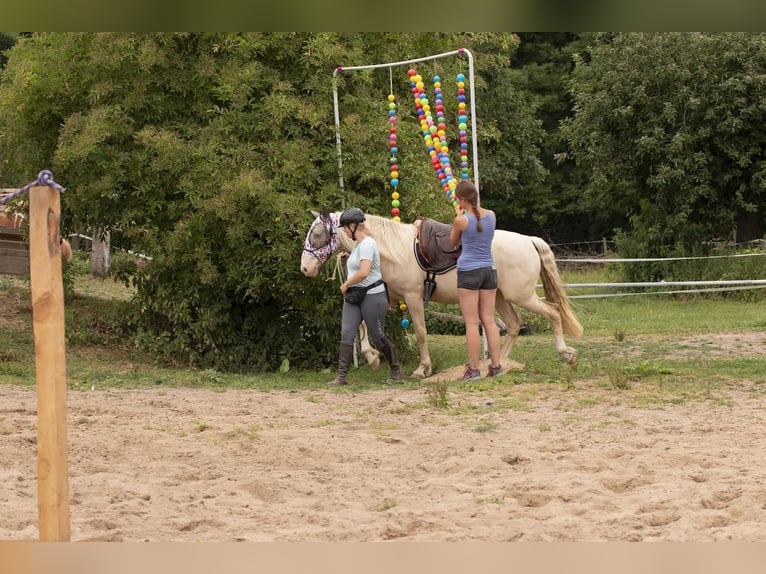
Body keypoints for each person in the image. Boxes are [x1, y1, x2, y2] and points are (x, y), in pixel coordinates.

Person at [329, 207, 403, 385]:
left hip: (372, 296)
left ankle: (396, 369)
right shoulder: (358, 246)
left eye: (346, 228)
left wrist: (346, 284)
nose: (345, 231)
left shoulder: (368, 244)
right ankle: (341, 376)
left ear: (354, 226)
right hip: (354, 297)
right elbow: (359, 264)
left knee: (378, 336)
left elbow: (364, 272)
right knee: (347, 333)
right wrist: (349, 256)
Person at [449, 180, 503, 381]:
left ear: (463, 200)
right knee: (489, 320)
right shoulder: (492, 215)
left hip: (469, 271)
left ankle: (473, 369)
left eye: (458, 199)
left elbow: (453, 242)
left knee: (472, 323)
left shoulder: (461, 220)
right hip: (489, 269)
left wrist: (457, 218)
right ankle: (496, 366)